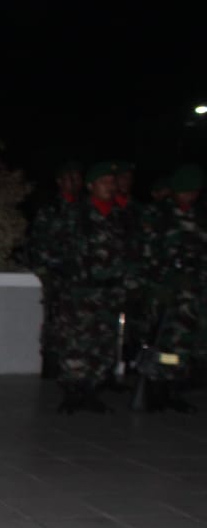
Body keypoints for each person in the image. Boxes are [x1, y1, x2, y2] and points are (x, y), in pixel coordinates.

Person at [53, 162, 129, 414]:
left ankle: (92, 390)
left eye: (112, 181)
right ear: (91, 186)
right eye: (104, 181)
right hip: (79, 290)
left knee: (103, 342)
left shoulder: (122, 216)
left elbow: (134, 252)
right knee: (75, 341)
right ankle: (72, 391)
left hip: (109, 291)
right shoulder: (75, 213)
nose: (110, 186)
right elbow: (53, 249)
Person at [129, 163, 204, 413]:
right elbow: (146, 253)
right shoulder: (158, 213)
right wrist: (160, 283)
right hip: (163, 291)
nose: (190, 196)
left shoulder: (199, 215)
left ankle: (172, 385)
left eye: (194, 191)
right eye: (186, 191)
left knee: (182, 343)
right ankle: (154, 385)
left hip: (192, 293)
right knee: (158, 340)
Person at [28, 161, 83, 379]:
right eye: (70, 177)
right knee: (55, 322)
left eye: (78, 177)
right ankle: (52, 363)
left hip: (81, 278)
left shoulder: (85, 209)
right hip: (56, 275)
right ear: (60, 181)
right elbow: (38, 244)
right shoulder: (50, 209)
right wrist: (52, 267)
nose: (74, 182)